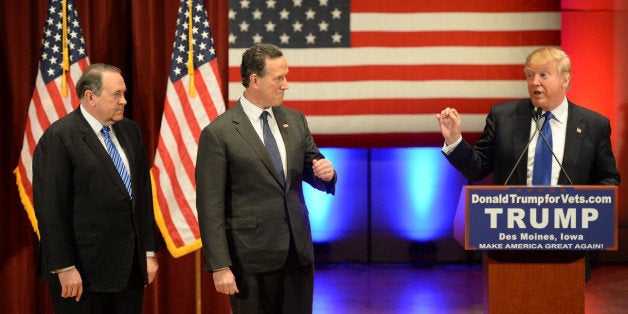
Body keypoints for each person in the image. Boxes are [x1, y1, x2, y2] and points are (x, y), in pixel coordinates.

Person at [196, 43, 337, 313]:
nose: (286, 85)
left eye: (286, 76)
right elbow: (209, 205)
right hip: (249, 261)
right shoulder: (219, 133)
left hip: (298, 256)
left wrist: (327, 174)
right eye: (279, 78)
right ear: (254, 80)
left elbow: (313, 166)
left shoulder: (295, 120)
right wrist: (220, 265)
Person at [33, 63, 158, 313]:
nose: (124, 101)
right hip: (83, 274)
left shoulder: (130, 131)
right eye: (116, 95)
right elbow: (50, 210)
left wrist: (148, 251)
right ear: (90, 96)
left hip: (129, 271)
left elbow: (142, 196)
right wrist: (64, 267)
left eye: (124, 93)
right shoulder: (59, 137)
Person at [436, 47, 620, 186]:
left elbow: (608, 179)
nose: (534, 82)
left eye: (543, 75)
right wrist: (454, 141)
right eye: (530, 75)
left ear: (565, 80)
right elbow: (477, 170)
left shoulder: (594, 125)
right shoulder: (503, 118)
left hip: (570, 228)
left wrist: (585, 207)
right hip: (514, 227)